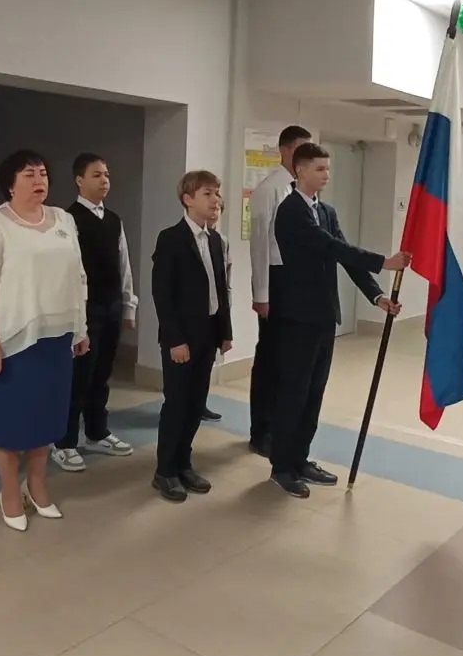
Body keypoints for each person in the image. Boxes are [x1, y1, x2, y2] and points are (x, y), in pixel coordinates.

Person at [0, 151, 90, 532]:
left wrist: (81, 329)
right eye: (29, 174)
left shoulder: (64, 220)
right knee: (8, 423)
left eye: (43, 173)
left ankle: (37, 485)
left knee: (46, 420)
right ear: (10, 184)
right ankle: (9, 492)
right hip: (11, 343)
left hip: (55, 340)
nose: (39, 180)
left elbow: (78, 278)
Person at [269, 143, 410, 497]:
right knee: (294, 393)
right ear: (300, 170)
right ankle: (282, 467)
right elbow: (330, 247)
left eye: (328, 169)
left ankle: (300, 459)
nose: (326, 175)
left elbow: (346, 258)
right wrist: (384, 261)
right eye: (319, 169)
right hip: (297, 318)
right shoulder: (290, 211)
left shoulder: (326, 211)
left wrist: (377, 295)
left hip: (323, 316)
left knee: (314, 392)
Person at [150, 171, 233, 502]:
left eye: (217, 194)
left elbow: (221, 291)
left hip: (208, 334)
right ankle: (165, 470)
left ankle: (183, 463)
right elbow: (162, 294)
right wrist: (175, 340)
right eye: (207, 194)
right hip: (181, 338)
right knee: (177, 403)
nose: (216, 200)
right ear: (187, 199)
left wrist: (225, 332)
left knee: (196, 403)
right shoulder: (170, 238)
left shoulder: (215, 240)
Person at [54, 153, 138, 473]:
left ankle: (96, 432)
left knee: (102, 374)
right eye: (97, 175)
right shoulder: (67, 219)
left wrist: (128, 304)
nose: (105, 180)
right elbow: (65, 270)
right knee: (79, 376)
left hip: (111, 305)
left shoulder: (114, 220)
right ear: (79, 180)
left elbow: (124, 264)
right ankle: (64, 442)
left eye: (107, 175)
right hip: (84, 309)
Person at [247, 125, 312, 456]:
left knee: (289, 360)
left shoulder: (302, 191)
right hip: (274, 279)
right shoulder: (270, 188)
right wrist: (261, 294)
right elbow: (259, 243)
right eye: (299, 149)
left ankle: (281, 427)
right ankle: (261, 431)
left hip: (296, 281)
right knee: (270, 359)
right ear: (284, 150)